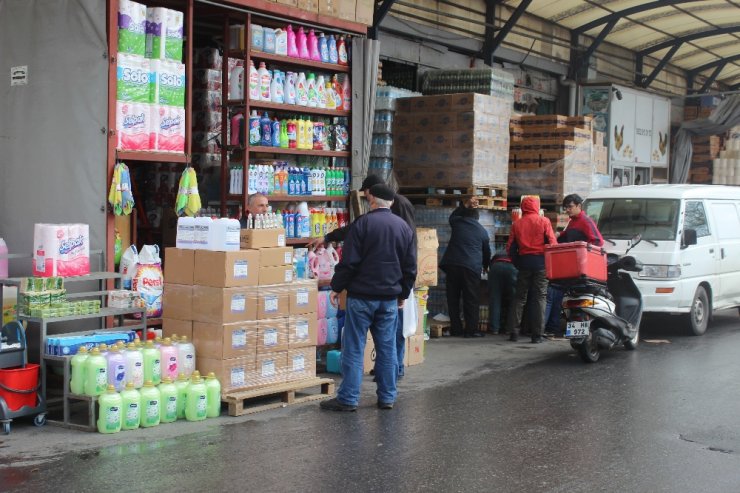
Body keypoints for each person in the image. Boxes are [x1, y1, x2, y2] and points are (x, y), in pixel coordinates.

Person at [320, 183, 416, 412]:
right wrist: (403, 293)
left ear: (371, 202)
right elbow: (410, 267)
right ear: (391, 202)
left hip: (361, 297)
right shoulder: (403, 228)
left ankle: (349, 398)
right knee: (387, 348)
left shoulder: (362, 224)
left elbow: (349, 262)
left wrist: (336, 287)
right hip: (389, 299)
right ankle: (387, 397)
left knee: (354, 347)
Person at [544, 193, 604, 336]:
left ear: (579, 206)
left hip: (579, 269)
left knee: (554, 292)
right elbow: (567, 237)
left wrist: (584, 252)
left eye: (570, 207)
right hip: (569, 266)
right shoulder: (572, 222)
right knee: (555, 293)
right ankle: (553, 328)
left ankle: (551, 327)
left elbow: (597, 241)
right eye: (566, 208)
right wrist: (558, 235)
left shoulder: (585, 221)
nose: (568, 210)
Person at [506, 195, 557, 343]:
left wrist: (518, 263)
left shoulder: (517, 224)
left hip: (524, 263)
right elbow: (552, 244)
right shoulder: (544, 221)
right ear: (537, 206)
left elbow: (510, 247)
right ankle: (537, 335)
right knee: (540, 298)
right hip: (541, 263)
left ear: (523, 207)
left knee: (520, 297)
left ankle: (513, 333)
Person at [439, 197, 491, 338]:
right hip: (471, 267)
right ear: (477, 218)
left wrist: (465, 205)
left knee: (453, 298)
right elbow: (487, 252)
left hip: (453, 265)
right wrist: (486, 266)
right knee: (471, 299)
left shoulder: (457, 222)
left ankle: (456, 329)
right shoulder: (482, 232)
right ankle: (471, 330)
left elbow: (453, 216)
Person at [488, 252, 517, 335]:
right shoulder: (516, 251)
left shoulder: (498, 253)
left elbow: (490, 265)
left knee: (495, 299)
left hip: (496, 267)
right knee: (513, 300)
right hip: (512, 267)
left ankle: (494, 329)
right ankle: (510, 329)